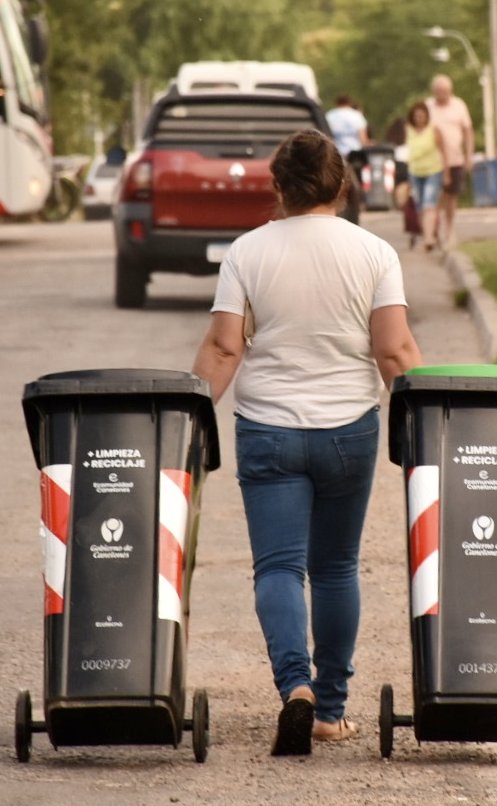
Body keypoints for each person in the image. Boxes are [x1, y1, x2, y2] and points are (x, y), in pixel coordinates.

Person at [191, 129, 423, 757]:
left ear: (278, 187)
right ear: (342, 186)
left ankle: (295, 687)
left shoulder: (247, 252)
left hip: (267, 429)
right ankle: (331, 710)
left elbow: (223, 347)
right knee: (336, 567)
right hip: (348, 429)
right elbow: (395, 350)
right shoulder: (374, 253)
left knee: (279, 568)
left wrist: (182, 419)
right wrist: (426, 428)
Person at [425, 75, 474, 248]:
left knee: (452, 197)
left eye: (444, 92)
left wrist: (469, 155)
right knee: (435, 197)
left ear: (450, 91)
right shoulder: (428, 107)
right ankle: (433, 229)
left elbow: (468, 131)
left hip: (455, 158)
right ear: (433, 92)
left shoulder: (459, 105)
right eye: (438, 92)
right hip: (433, 161)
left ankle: (450, 231)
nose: (441, 95)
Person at [403, 101, 445, 251]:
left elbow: (442, 150)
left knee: (429, 204)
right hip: (415, 172)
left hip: (433, 170)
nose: (419, 119)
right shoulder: (409, 130)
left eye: (422, 116)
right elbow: (410, 153)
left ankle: (429, 239)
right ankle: (426, 233)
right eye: (416, 116)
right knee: (420, 206)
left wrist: (446, 173)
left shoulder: (434, 129)